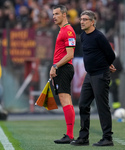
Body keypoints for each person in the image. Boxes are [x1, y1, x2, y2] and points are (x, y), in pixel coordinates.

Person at [70, 10, 116, 146]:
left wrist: (107, 65)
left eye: (85, 19)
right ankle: (83, 138)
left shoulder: (99, 36)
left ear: (92, 22)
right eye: (81, 19)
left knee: (102, 106)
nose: (82, 22)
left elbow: (111, 55)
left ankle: (107, 138)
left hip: (100, 74)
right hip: (89, 75)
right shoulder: (83, 36)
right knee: (83, 104)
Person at [49, 5, 76, 144]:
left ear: (64, 14)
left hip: (64, 68)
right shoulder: (62, 30)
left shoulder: (68, 31)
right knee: (66, 101)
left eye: (57, 14)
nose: (54, 16)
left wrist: (55, 66)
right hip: (62, 68)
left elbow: (70, 54)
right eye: (53, 14)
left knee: (65, 100)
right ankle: (69, 134)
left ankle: (70, 135)